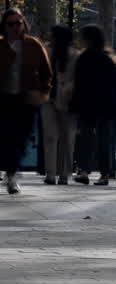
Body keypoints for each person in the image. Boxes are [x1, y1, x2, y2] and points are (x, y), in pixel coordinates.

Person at [0, 9, 52, 195]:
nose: (15, 27)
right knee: (7, 138)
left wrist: (43, 92)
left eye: (18, 23)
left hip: (27, 99)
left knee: (21, 138)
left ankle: (12, 171)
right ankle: (11, 175)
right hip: (4, 99)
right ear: (4, 26)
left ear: (24, 24)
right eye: (11, 24)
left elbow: (47, 73)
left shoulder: (33, 45)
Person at [69, 25, 116, 187]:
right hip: (105, 105)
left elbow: (79, 84)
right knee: (104, 140)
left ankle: (84, 171)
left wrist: (75, 105)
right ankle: (104, 174)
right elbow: (115, 85)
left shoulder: (84, 58)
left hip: (88, 104)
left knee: (86, 139)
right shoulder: (108, 59)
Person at [41, 25, 77, 186]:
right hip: (48, 98)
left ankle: (63, 175)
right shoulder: (46, 51)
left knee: (67, 139)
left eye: (52, 35)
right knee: (49, 137)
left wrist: (70, 87)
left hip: (68, 102)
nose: (50, 38)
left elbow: (80, 78)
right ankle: (50, 173)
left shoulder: (74, 55)